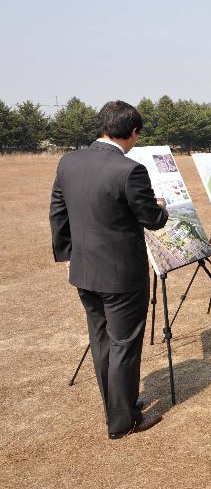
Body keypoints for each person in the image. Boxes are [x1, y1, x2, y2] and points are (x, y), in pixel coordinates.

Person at [49, 101, 169, 439]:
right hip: (121, 277)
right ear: (132, 133)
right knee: (125, 345)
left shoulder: (68, 162)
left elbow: (58, 212)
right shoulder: (129, 169)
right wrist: (162, 208)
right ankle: (122, 422)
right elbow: (151, 219)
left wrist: (67, 254)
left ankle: (119, 405)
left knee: (102, 342)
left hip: (85, 271)